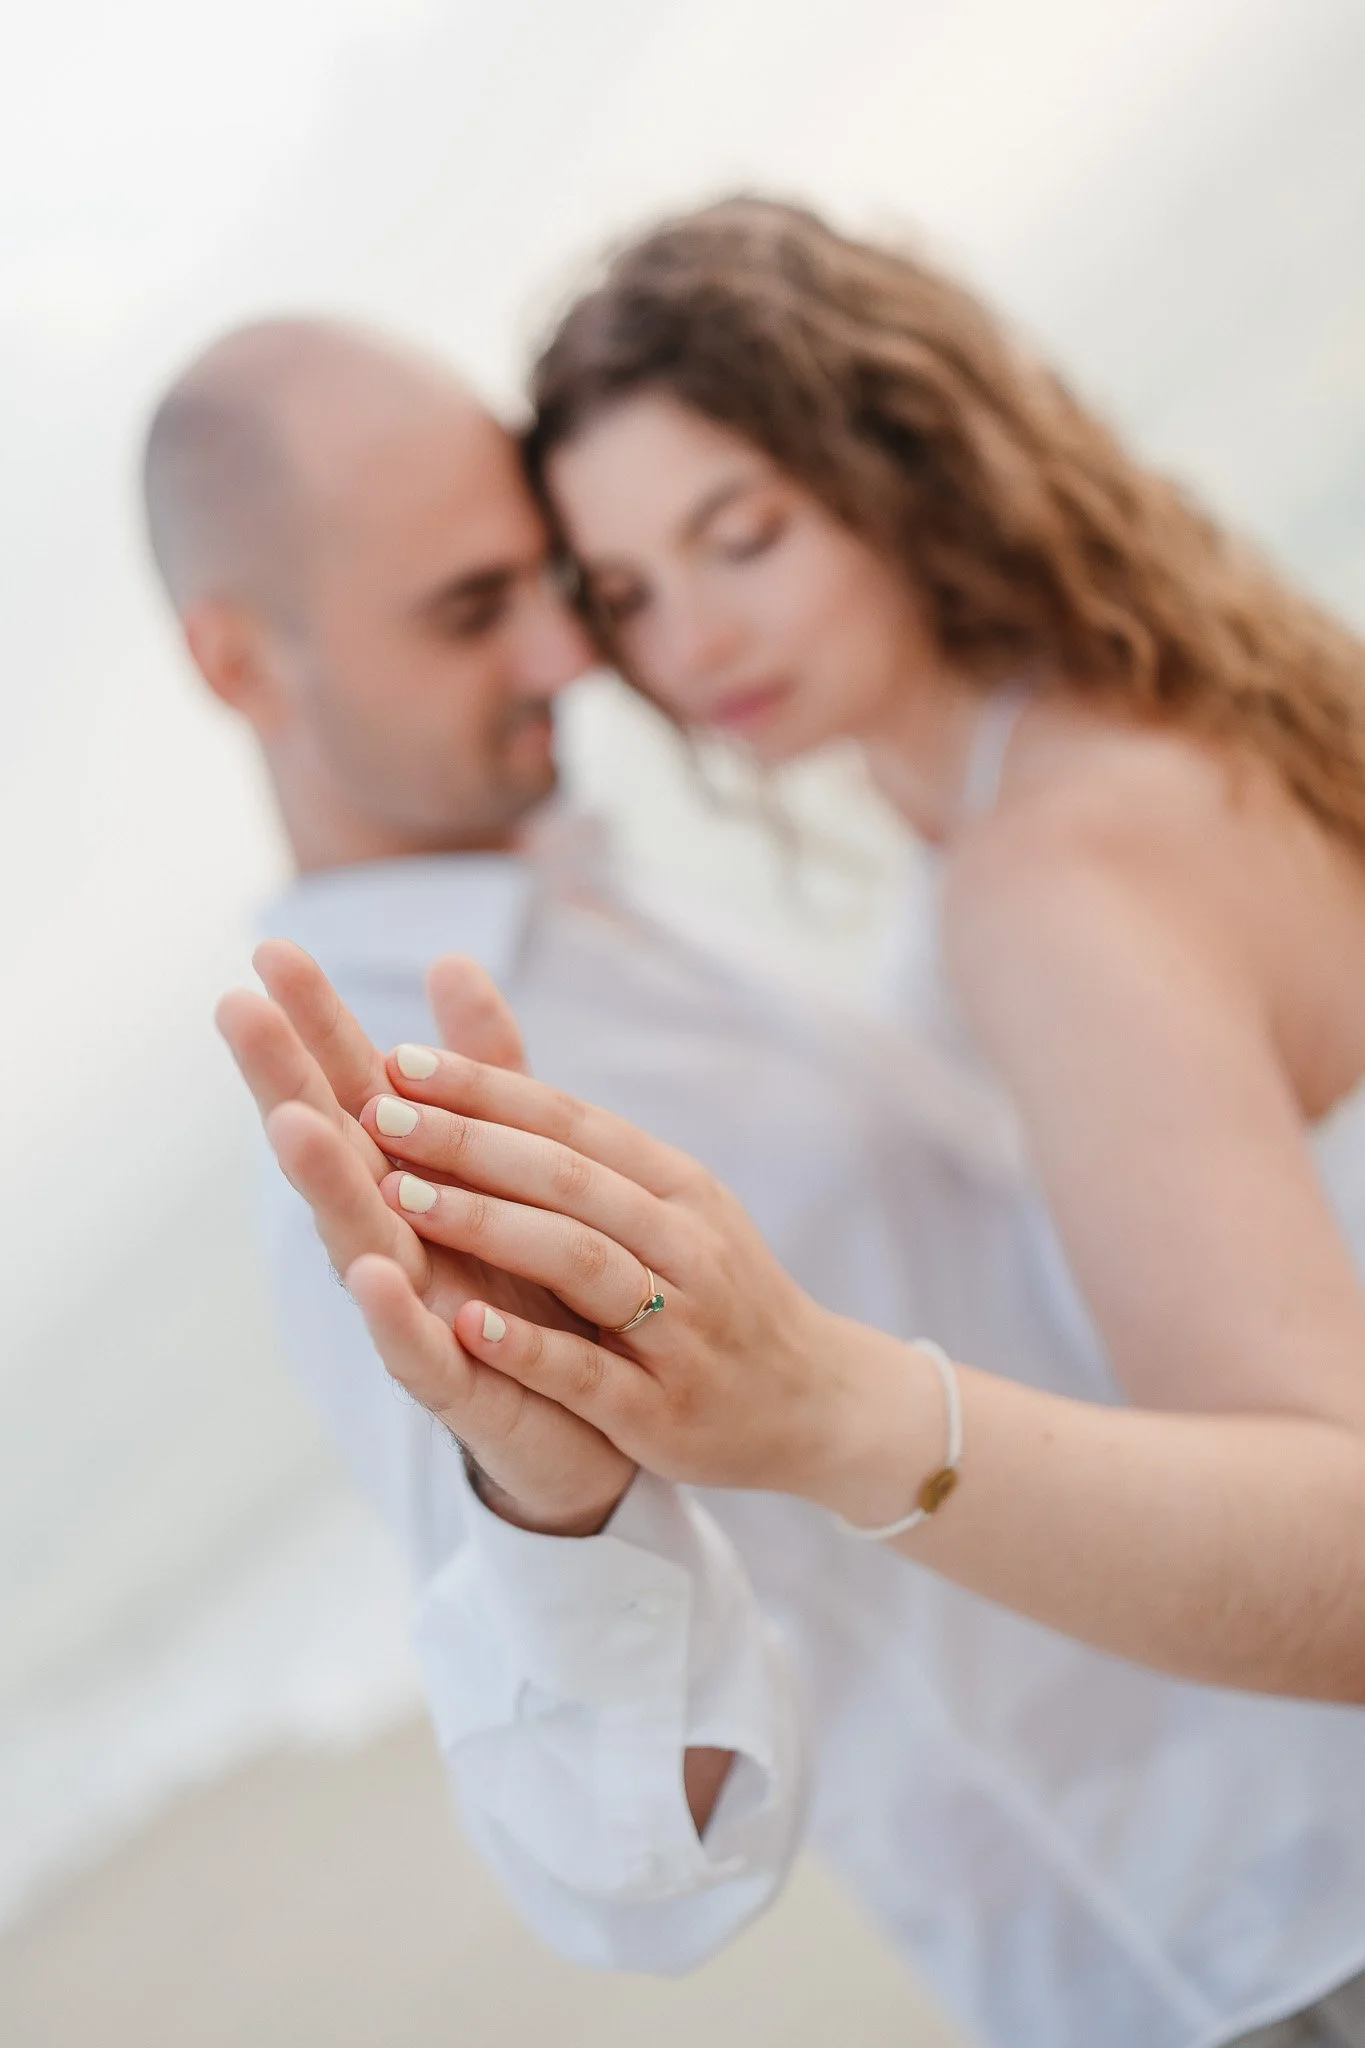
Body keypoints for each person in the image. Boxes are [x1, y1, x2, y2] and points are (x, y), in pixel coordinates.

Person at [270, 203, 1365, 2048]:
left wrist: (842, 1413)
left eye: (743, 537)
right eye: (624, 590)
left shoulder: (1047, 871)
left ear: (893, 466)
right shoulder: (1102, 736)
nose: (683, 643)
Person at [146, 320, 1089, 2034]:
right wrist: (557, 1506)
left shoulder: (573, 888)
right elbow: (614, 1864)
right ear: (238, 664)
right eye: (467, 609)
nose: (570, 649)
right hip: (1209, 1930)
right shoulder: (378, 1148)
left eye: (553, 579)